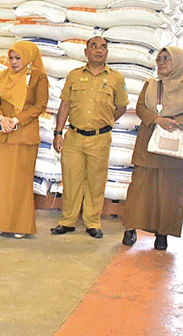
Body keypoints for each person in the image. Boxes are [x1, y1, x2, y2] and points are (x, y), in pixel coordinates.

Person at [122, 46, 183, 251]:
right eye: (159, 59)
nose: (162, 63)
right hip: (149, 142)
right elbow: (141, 107)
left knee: (170, 192)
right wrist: (157, 119)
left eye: (167, 59)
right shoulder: (150, 85)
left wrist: (175, 122)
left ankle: (162, 233)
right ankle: (131, 228)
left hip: (176, 145)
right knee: (140, 189)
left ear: (178, 62)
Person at [51, 37, 128, 239]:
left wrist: (106, 121)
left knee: (96, 182)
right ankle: (67, 221)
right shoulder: (74, 76)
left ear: (107, 52)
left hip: (100, 139)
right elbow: (65, 106)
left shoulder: (116, 78)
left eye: (103, 47)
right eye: (94, 46)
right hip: (74, 137)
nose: (99, 50)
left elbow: (122, 106)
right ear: (86, 52)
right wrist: (58, 133)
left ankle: (92, 222)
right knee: (71, 180)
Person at [0, 41, 48, 239]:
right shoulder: (2, 76)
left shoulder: (38, 77)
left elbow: (40, 105)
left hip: (24, 134)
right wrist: (1, 118)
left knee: (20, 182)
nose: (14, 62)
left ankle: (20, 225)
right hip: (2, 132)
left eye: (18, 58)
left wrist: (17, 120)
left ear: (28, 58)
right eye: (11, 58)